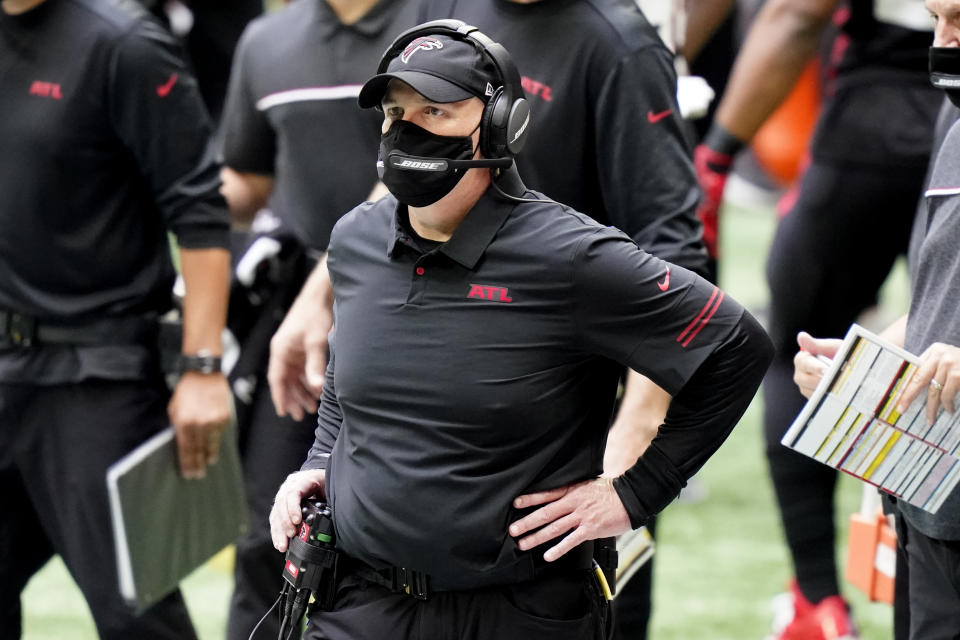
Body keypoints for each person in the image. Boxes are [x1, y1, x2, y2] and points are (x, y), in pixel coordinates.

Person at [268, 19, 773, 640]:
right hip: (361, 603)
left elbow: (735, 346)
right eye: (395, 111)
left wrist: (637, 492)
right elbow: (351, 366)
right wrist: (321, 460)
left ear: (503, 125)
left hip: (520, 613)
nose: (407, 129)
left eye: (436, 111)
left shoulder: (571, 257)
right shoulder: (355, 240)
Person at [374, 3, 713, 635]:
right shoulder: (444, 9)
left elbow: (673, 248)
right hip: (448, 375)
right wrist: (318, 299)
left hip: (569, 406)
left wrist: (633, 440)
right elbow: (405, 166)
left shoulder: (619, 43)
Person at [692, 0, 943, 636]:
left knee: (800, 347)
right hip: (925, 129)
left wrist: (718, 153)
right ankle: (917, 592)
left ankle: (817, 598)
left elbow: (798, 12)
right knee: (940, 341)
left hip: (871, 128)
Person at [0, 0, 232, 638]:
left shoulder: (124, 43)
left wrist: (202, 368)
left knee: (138, 621)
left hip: (96, 377)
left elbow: (202, 215)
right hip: (5, 368)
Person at [217, 1, 420, 637]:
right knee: (267, 537)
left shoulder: (438, 20)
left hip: (413, 303)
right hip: (293, 328)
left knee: (398, 541)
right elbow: (248, 181)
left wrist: (324, 289)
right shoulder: (266, 39)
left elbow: (414, 170)